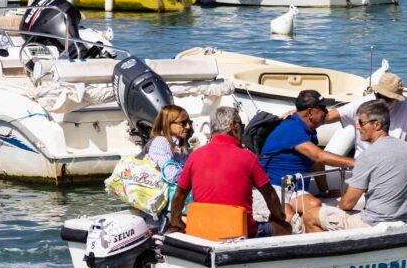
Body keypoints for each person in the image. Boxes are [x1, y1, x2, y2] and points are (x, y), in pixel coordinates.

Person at [168, 106, 290, 237]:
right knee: (286, 228)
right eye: (242, 127)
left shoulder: (195, 156)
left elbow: (179, 195)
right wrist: (277, 216)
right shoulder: (248, 157)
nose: (242, 131)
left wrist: (176, 222)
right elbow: (269, 194)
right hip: (240, 231)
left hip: (202, 230)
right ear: (234, 126)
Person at [304, 100, 407, 232]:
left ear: (377, 125)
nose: (357, 127)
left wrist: (337, 210)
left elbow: (347, 204)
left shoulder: (369, 155)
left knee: (310, 216)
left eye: (361, 122)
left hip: (376, 223)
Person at [261, 89, 355, 215]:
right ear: (310, 112)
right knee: (288, 219)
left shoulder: (307, 130)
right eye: (323, 108)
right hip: (275, 187)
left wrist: (325, 192)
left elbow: (315, 162)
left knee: (315, 205)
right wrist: (357, 162)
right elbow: (318, 156)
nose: (327, 112)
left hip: (294, 188)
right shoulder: (292, 128)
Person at [323, 72, 407, 156]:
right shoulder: (364, 102)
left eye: (387, 98)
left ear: (397, 99)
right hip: (364, 159)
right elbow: (330, 116)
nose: (382, 101)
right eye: (378, 96)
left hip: (393, 160)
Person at [146, 104, 192, 185]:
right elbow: (171, 175)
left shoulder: (181, 143)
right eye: (183, 123)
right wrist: (194, 172)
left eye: (189, 122)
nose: (188, 126)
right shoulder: (159, 143)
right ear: (168, 124)